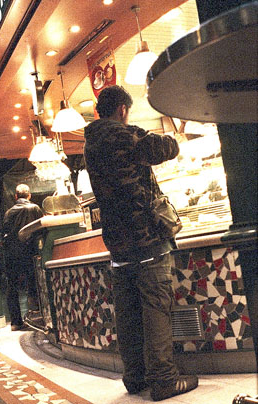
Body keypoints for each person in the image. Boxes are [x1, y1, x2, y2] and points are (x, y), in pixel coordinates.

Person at [84, 85, 196, 401]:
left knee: (129, 313)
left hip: (117, 244)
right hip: (146, 238)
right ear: (122, 109)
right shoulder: (125, 136)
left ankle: (135, 378)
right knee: (156, 310)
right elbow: (165, 149)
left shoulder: (89, 146)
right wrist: (174, 134)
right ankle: (164, 380)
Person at [1, 184, 44, 331]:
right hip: (31, 252)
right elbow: (42, 228)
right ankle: (40, 317)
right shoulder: (35, 208)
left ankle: (15, 322)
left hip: (12, 255)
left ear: (15, 197)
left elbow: (5, 233)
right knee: (34, 284)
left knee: (12, 287)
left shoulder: (9, 213)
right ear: (29, 195)